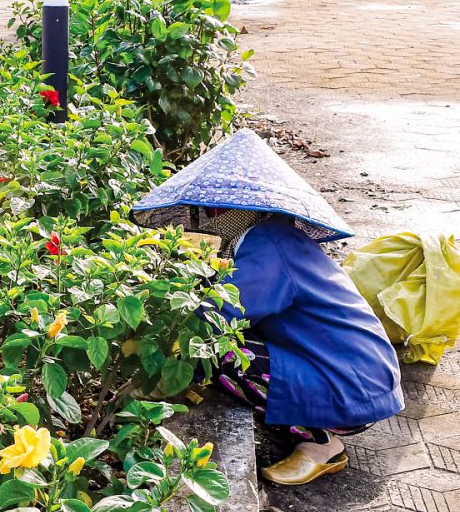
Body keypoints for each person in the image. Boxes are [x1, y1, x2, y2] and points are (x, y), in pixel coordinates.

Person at [131, 128, 404, 486]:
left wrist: (150, 339)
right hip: (353, 374)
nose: (203, 217)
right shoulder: (271, 234)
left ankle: (321, 443)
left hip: (350, 388)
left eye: (210, 209)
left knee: (213, 352)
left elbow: (216, 315)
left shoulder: (268, 245)